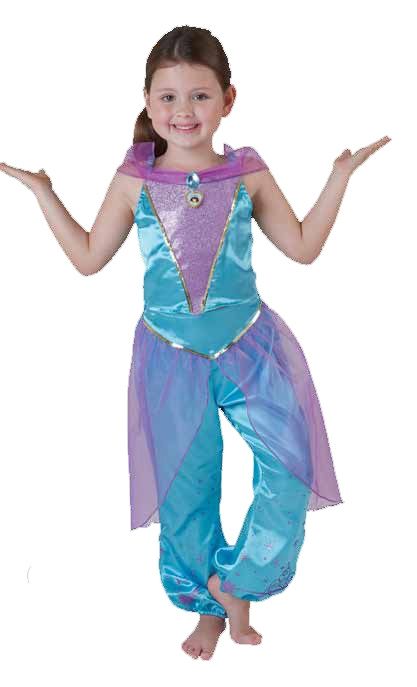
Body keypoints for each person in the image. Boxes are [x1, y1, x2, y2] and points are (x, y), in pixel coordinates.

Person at [0, 25, 390, 661]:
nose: (184, 111)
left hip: (250, 344)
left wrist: (338, 177)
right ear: (148, 101)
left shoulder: (247, 172)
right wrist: (45, 193)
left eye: (200, 96)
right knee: (187, 488)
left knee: (291, 465)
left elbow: (302, 247)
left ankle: (235, 584)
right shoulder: (135, 178)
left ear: (228, 100)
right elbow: (90, 258)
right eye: (169, 97)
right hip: (169, 353)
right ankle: (206, 608)